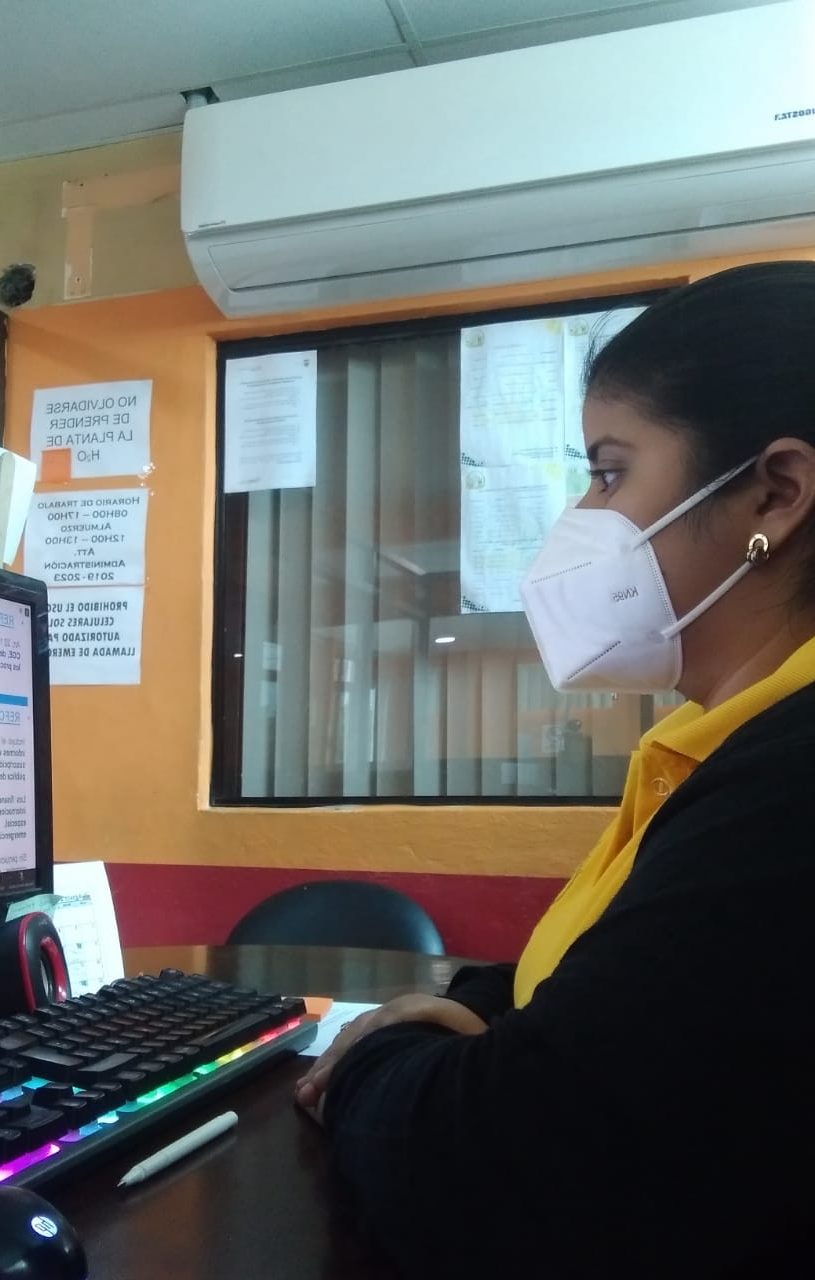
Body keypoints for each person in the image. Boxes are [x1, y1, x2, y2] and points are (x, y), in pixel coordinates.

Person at [295, 260, 815, 1278]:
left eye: (610, 472)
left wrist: (373, 1058)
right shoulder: (717, 746)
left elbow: (492, 1174)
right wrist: (488, 1012)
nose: (582, 512)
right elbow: (628, 988)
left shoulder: (789, 790)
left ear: (775, 492)